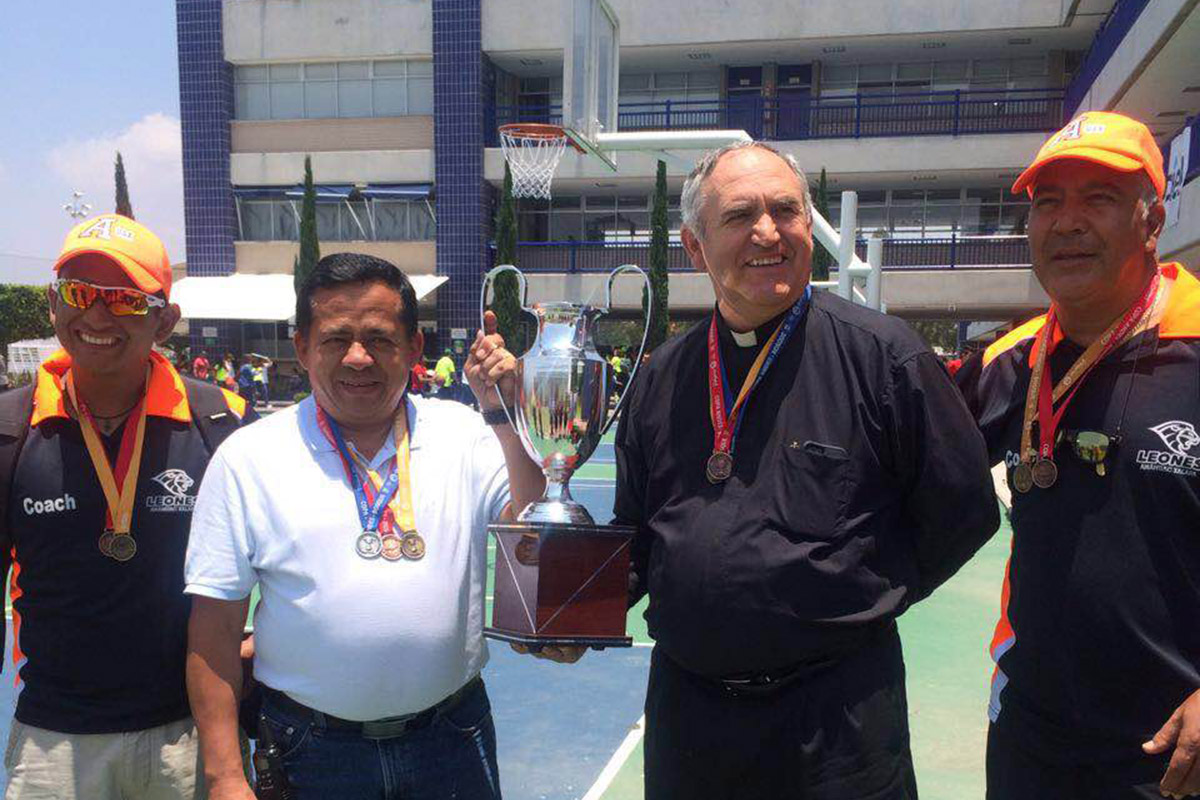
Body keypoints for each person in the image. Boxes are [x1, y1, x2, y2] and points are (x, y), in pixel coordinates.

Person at [575, 142, 998, 799]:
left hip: (838, 725)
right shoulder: (662, 377)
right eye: (741, 214)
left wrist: (858, 593)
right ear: (694, 247)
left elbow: (963, 508)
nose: (767, 231)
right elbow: (637, 533)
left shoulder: (885, 358)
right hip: (692, 723)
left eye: (785, 211)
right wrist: (578, 612)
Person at [184, 253, 544, 800]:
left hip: (450, 738)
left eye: (379, 339)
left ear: (414, 348)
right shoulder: (248, 457)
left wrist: (505, 413)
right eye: (335, 339)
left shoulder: (466, 433)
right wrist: (225, 776)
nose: (358, 358)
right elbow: (213, 629)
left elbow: (533, 533)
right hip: (311, 750)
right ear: (302, 346)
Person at [954, 111, 1200, 800]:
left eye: (1098, 199)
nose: (1067, 223)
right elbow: (895, 463)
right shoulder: (1012, 362)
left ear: (1150, 222)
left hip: (1177, 752)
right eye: (1049, 203)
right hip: (1034, 741)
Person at [0, 214, 253, 800]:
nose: (96, 315)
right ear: (52, 304)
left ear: (166, 319)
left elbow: (295, 555)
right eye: (79, 293)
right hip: (53, 743)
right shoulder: (10, 432)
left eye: (124, 300)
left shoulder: (224, 424)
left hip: (191, 737)